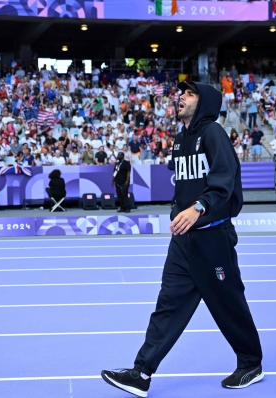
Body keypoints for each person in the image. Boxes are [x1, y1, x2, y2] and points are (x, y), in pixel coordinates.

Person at [101, 81, 263, 397]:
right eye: (180, 93)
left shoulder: (214, 133)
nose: (181, 97)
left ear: (204, 102)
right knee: (168, 305)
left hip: (213, 236)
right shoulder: (179, 140)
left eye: (189, 94)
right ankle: (141, 373)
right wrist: (180, 211)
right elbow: (187, 186)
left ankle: (251, 363)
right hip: (184, 239)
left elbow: (223, 183)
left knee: (228, 303)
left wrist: (198, 209)